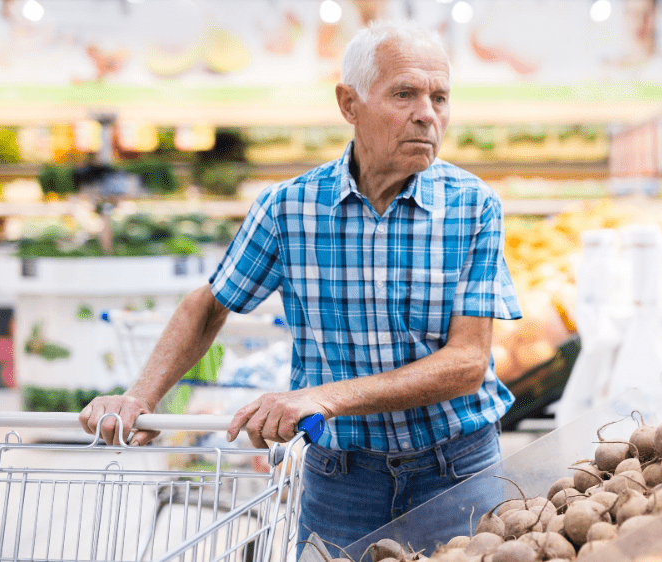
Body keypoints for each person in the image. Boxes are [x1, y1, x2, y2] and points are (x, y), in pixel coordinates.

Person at [79, 20, 522, 553]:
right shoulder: (289, 208)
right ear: (348, 103)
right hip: (342, 480)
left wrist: (322, 397)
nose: (427, 114)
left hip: (458, 470)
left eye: (440, 97)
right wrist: (138, 397)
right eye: (404, 93)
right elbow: (209, 305)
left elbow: (468, 363)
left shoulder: (474, 206)